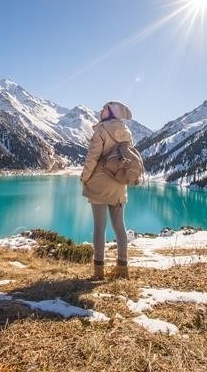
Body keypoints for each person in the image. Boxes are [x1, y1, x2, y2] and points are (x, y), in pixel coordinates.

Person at [80, 100, 133, 280]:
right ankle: (122, 268)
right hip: (119, 184)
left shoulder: (101, 130)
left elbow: (92, 159)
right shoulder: (127, 132)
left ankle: (98, 272)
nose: (101, 110)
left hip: (100, 185)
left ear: (111, 113)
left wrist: (84, 178)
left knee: (99, 228)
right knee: (120, 227)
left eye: (105, 108)